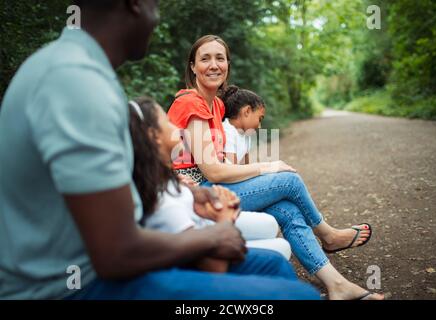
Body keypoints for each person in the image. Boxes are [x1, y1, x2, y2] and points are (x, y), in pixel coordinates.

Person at [0, 0, 320, 299]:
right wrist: (211, 237)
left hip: (100, 265)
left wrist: (189, 193)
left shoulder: (79, 68)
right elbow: (117, 252)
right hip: (72, 286)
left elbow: (119, 184)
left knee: (273, 266)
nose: (157, 18)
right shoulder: (75, 82)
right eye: (155, 5)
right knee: (299, 295)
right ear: (134, 4)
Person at [167, 35, 384, 300]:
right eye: (205, 58)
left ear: (228, 64)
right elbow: (212, 170)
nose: (214, 65)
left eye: (220, 58)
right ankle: (328, 235)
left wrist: (256, 167)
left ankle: (336, 284)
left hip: (212, 186)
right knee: (288, 180)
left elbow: (222, 162)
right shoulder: (191, 103)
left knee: (288, 208)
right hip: (199, 193)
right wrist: (267, 166)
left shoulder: (217, 104)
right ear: (192, 67)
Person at [128, 97, 292, 263]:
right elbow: (209, 263)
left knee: (272, 224)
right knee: (281, 247)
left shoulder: (163, 177)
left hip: (204, 221)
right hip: (210, 239)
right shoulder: (166, 205)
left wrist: (193, 193)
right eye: (169, 122)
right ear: (154, 135)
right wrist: (224, 220)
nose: (178, 126)